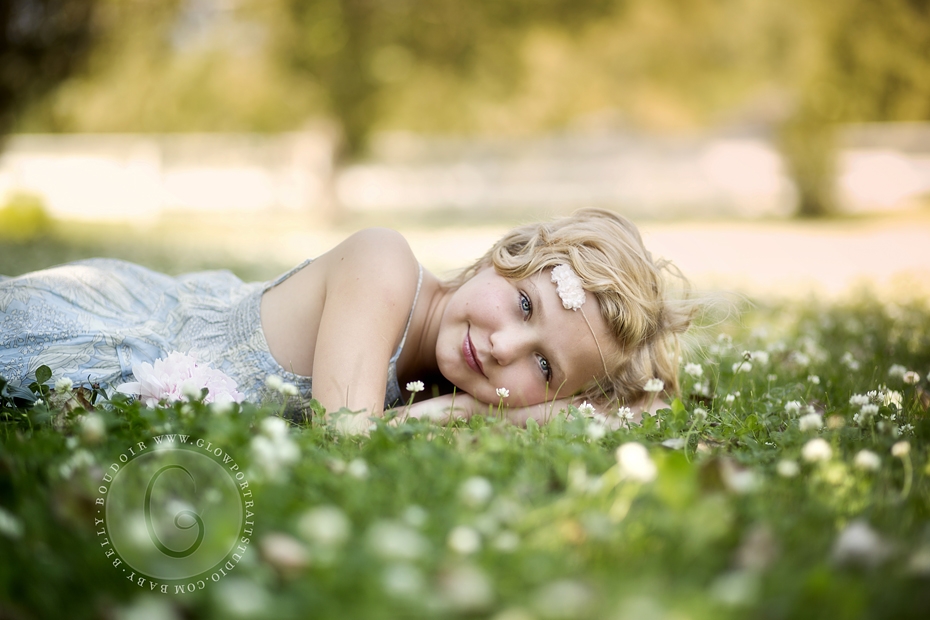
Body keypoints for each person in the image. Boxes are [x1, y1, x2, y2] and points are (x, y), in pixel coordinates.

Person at [0, 208, 695, 429]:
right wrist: (477, 418)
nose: (504, 345)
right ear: (502, 258)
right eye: (523, 305)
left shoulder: (434, 375)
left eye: (544, 366)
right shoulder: (383, 265)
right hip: (99, 332)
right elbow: (345, 448)